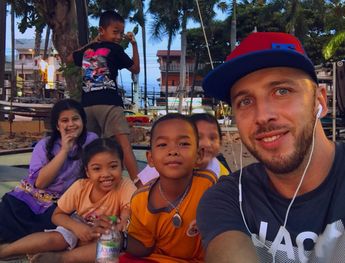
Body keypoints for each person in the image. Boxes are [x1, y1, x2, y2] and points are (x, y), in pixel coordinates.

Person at [197, 32, 345, 262]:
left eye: (282, 91)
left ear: (320, 101)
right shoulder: (228, 198)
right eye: (245, 101)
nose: (263, 116)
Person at [0, 138, 137, 262]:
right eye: (97, 169)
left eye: (113, 166)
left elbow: (128, 210)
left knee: (111, 246)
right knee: (58, 238)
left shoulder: (125, 185)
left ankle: (62, 258)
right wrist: (77, 228)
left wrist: (120, 225)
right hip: (80, 223)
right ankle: (6, 250)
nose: (106, 174)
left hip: (109, 230)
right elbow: (57, 215)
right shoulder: (80, 187)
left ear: (122, 166)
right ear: (88, 172)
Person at [119, 113, 217, 263]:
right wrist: (121, 240)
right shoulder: (140, 200)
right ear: (150, 159)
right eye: (162, 145)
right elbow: (144, 247)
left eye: (183, 143)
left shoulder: (208, 185)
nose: (173, 151)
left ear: (198, 155)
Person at [0, 99, 98, 244]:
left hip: (64, 204)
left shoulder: (91, 141)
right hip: (32, 198)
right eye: (65, 120)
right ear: (58, 126)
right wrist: (64, 150)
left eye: (75, 119)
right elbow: (40, 183)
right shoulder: (44, 146)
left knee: (56, 225)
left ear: (83, 121)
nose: (71, 124)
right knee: (9, 212)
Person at [69, 10, 140, 184]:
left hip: (87, 106)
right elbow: (135, 68)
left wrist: (91, 43)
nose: (118, 36)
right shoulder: (115, 49)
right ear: (102, 30)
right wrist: (134, 44)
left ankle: (82, 185)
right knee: (123, 144)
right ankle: (140, 185)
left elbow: (70, 58)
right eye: (115, 31)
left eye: (121, 33)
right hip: (109, 103)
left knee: (87, 148)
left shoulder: (87, 52)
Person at [137, 113, 230, 185]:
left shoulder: (222, 175)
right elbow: (138, 189)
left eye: (213, 138)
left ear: (221, 142)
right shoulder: (163, 164)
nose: (207, 144)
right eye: (199, 137)